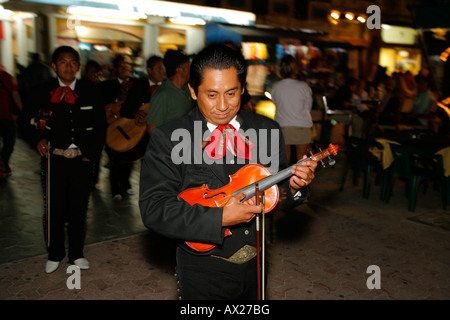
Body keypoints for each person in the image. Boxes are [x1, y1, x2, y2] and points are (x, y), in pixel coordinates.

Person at [139, 44, 317, 300]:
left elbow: (277, 195)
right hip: (202, 264)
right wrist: (219, 217)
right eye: (211, 95)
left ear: (243, 89)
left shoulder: (267, 129)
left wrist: (296, 187)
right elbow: (154, 209)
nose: (222, 105)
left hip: (257, 260)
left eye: (231, 93)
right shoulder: (168, 138)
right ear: (192, 90)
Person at [25, 46, 106, 273]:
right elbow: (25, 121)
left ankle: (77, 254)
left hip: (82, 160)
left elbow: (100, 127)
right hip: (54, 160)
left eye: (73, 62)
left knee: (79, 208)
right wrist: (37, 139)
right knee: (54, 209)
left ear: (78, 67)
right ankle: (55, 253)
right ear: (54, 66)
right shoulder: (41, 91)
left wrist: (90, 156)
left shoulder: (90, 91)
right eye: (63, 62)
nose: (68, 67)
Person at [100, 55, 141, 200]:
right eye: (121, 67)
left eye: (126, 67)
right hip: (113, 127)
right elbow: (103, 105)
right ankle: (115, 189)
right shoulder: (106, 85)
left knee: (130, 156)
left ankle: (126, 184)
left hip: (130, 126)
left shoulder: (137, 83)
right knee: (114, 158)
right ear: (115, 69)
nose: (124, 69)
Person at [270, 54, 314, 162]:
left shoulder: (276, 86)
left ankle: (285, 179)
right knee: (301, 161)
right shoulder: (303, 86)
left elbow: (276, 103)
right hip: (301, 126)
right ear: (295, 69)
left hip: (282, 126)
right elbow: (308, 108)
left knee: (284, 162)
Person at [146, 49, 194, 135]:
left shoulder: (188, 89)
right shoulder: (162, 94)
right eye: (188, 65)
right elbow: (152, 128)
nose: (190, 68)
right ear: (180, 69)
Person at [0, 67, 23, 176]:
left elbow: (15, 94)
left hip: (7, 116)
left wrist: (22, 110)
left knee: (9, 143)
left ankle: (4, 163)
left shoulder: (7, 77)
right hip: (7, 117)